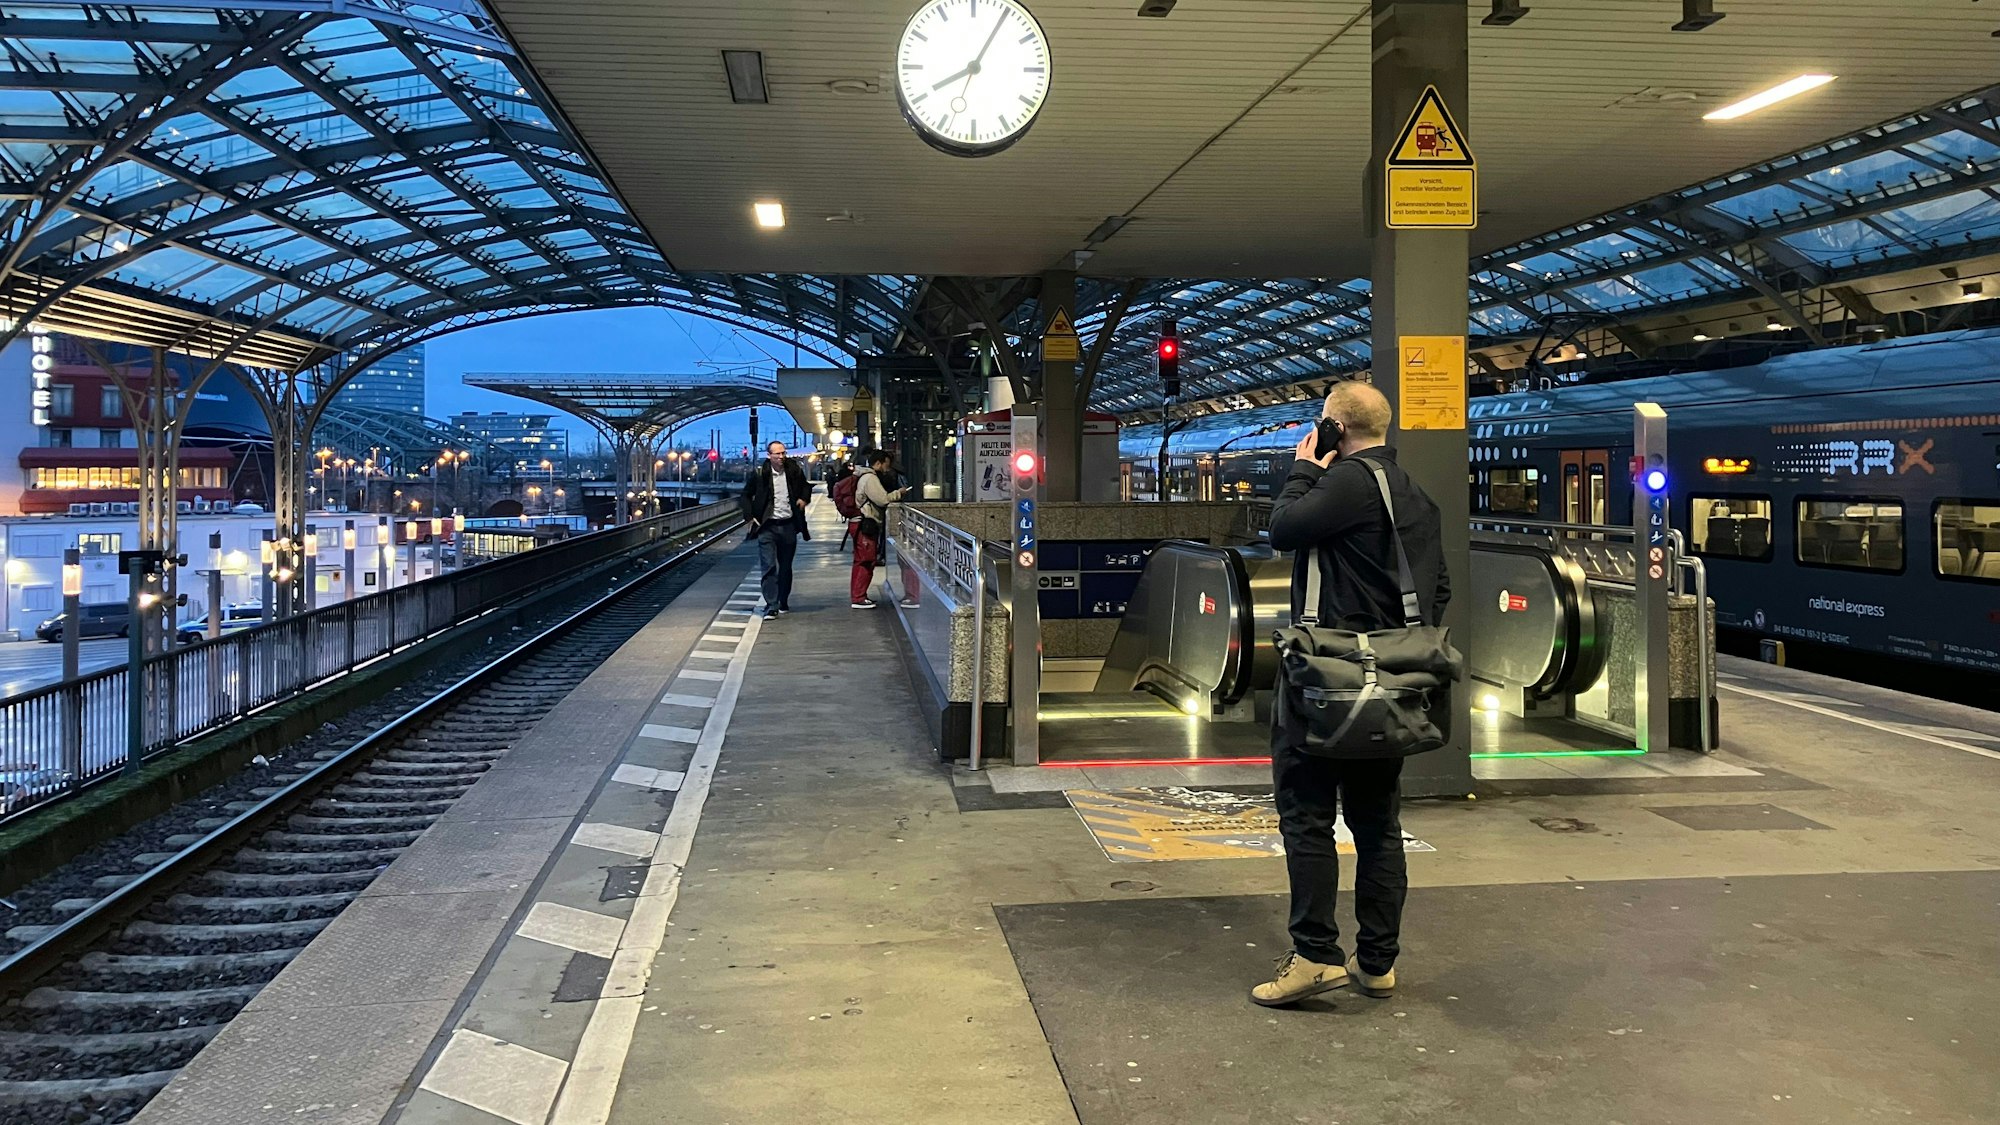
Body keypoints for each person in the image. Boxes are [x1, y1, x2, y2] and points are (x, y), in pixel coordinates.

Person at [1250, 380, 1451, 1007]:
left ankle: (1314, 955)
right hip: (1388, 683)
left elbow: (1283, 528)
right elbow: (1437, 588)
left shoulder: (1347, 481)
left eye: (1321, 426)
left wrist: (1304, 469)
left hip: (1326, 679)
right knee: (1376, 822)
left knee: (1307, 818)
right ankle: (1378, 962)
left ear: (1336, 429)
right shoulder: (1415, 495)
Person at [741, 440, 812, 616]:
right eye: (777, 454)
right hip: (767, 526)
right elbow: (745, 495)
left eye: (783, 453)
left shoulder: (793, 470)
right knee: (769, 566)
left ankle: (783, 600)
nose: (781, 457)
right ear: (769, 456)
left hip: (788, 525)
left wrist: (803, 499)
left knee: (786, 567)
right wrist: (750, 517)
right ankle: (771, 604)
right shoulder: (760, 474)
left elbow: (805, 487)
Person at [848, 449, 907, 608]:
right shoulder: (870, 478)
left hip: (861, 522)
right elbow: (883, 499)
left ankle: (858, 595)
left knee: (862, 560)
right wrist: (899, 493)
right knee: (866, 561)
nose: (887, 468)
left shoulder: (864, 476)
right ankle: (859, 597)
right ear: (879, 463)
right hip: (865, 523)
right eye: (886, 464)